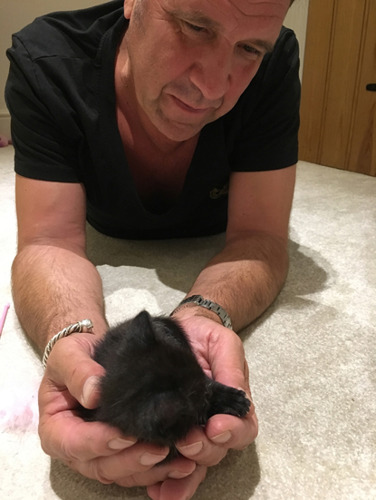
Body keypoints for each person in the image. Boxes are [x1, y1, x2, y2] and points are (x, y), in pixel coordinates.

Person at [5, 0, 299, 498]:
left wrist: (206, 313)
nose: (213, 86)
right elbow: (48, 240)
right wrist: (75, 344)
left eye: (248, 48)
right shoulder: (47, 60)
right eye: (193, 26)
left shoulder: (274, 61)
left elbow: (260, 235)